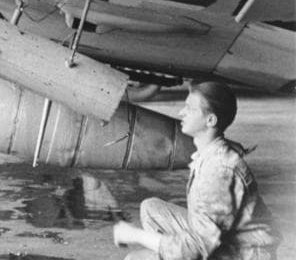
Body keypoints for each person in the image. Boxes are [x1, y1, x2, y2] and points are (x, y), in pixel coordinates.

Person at [113, 81, 280, 260]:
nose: (181, 112)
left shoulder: (219, 170)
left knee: (135, 259)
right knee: (151, 208)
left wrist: (135, 235)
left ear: (210, 120)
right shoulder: (209, 154)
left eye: (190, 109)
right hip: (232, 243)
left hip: (247, 255)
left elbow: (198, 247)